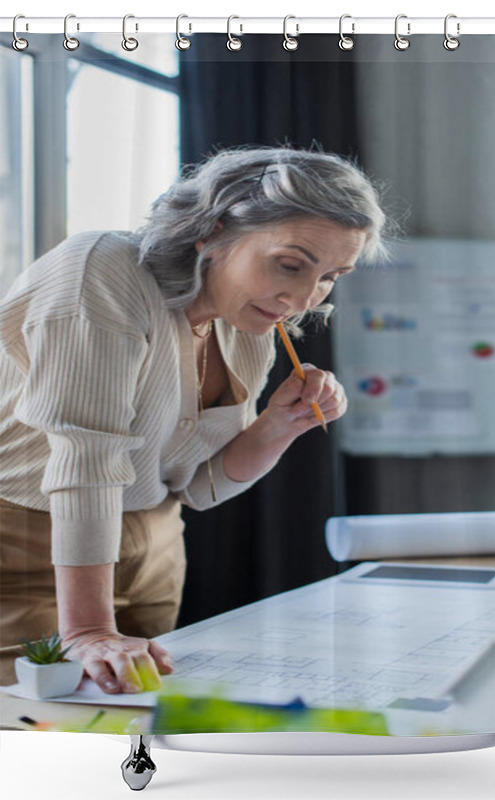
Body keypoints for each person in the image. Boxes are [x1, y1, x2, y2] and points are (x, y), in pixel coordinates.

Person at [0, 146, 388, 693]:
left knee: (126, 734)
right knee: (31, 733)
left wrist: (278, 426)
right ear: (213, 230)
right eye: (290, 264)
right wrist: (88, 628)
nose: (303, 298)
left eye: (331, 277)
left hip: (155, 546)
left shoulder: (246, 326)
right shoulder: (102, 270)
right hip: (25, 541)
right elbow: (87, 459)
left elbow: (197, 489)